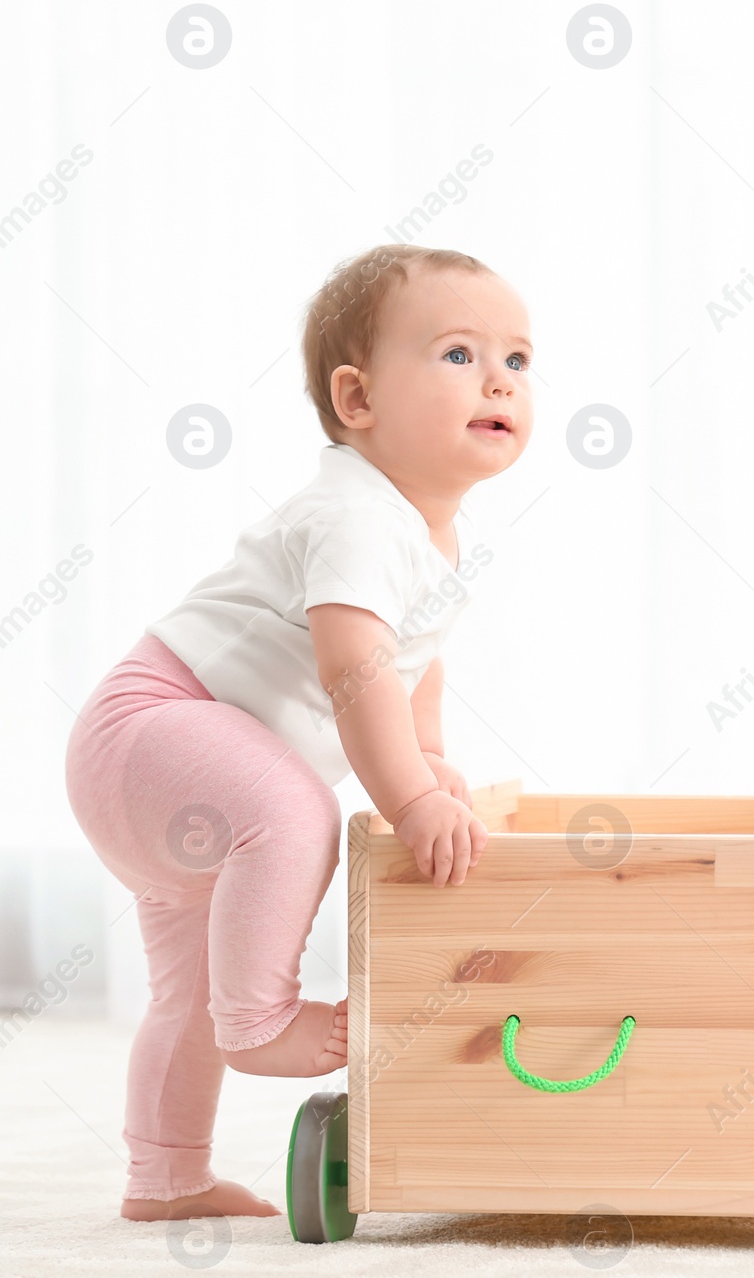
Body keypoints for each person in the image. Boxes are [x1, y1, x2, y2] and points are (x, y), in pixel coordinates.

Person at [63, 244, 533, 1219]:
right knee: (296, 807)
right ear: (356, 400)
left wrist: (431, 754)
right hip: (154, 727)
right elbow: (355, 670)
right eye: (457, 354)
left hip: (167, 778)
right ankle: (262, 1016)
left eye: (517, 362)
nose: (498, 379)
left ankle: (166, 1178)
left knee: (181, 995)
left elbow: (413, 662)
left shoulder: (425, 533)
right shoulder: (354, 514)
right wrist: (406, 797)